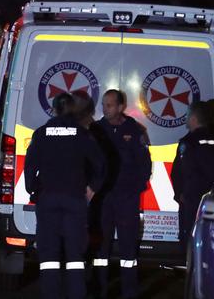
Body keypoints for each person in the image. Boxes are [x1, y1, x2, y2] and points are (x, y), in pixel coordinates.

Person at [25, 92, 106, 299]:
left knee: (49, 255)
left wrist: (33, 190)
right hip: (74, 199)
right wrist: (92, 188)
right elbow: (100, 164)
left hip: (48, 198)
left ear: (53, 109)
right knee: (75, 255)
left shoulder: (41, 133)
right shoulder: (82, 133)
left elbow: (30, 165)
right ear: (73, 110)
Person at [92, 89, 152, 299]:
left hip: (127, 199)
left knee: (128, 249)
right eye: (103, 104)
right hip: (103, 199)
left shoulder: (135, 130)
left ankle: (129, 292)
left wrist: (133, 189)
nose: (104, 109)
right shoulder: (96, 130)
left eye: (109, 105)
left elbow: (145, 165)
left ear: (120, 107)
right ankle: (99, 290)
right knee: (100, 248)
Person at [171, 101, 214, 253]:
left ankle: (192, 274)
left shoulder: (189, 143)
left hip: (193, 202)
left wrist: (180, 195)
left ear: (193, 118)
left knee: (191, 244)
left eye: (187, 115)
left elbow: (179, 173)